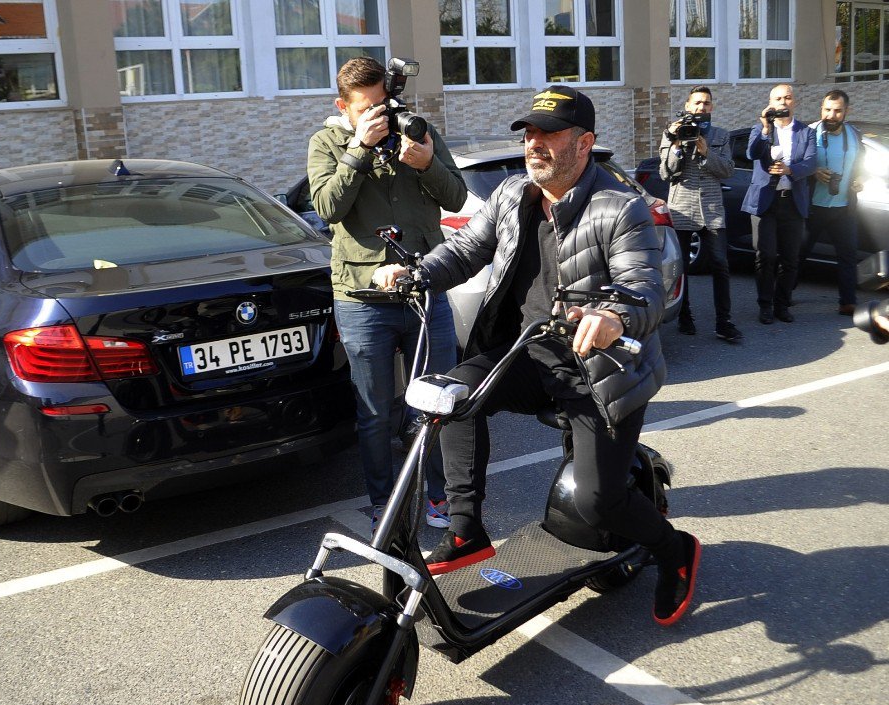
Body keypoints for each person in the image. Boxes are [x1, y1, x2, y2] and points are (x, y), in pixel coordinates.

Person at [374, 85, 701, 626]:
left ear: (585, 143)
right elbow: (463, 251)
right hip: (530, 353)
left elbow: (642, 286)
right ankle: (465, 529)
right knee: (450, 396)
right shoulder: (510, 195)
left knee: (599, 503)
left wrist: (612, 316)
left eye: (549, 135)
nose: (535, 145)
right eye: (529, 135)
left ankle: (675, 552)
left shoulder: (622, 210)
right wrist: (416, 273)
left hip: (603, 369)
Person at [307, 57, 467, 529]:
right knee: (376, 411)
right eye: (368, 108)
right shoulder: (327, 142)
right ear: (344, 106)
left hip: (424, 292)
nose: (381, 115)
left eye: (386, 104)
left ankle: (437, 494)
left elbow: (456, 197)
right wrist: (358, 148)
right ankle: (384, 500)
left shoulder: (419, 132)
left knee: (435, 401)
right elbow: (327, 207)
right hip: (362, 300)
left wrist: (427, 163)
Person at [659, 86, 742, 343]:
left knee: (721, 265)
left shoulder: (721, 135)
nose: (701, 108)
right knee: (680, 268)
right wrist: (675, 145)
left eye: (706, 103)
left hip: (712, 211)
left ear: (712, 107)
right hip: (681, 208)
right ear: (687, 105)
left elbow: (728, 169)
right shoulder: (671, 133)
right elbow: (666, 173)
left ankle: (723, 322)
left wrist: (706, 151)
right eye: (697, 103)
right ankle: (685, 317)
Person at [741, 84, 817, 324]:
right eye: (778, 98)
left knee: (790, 258)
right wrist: (765, 128)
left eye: (788, 97)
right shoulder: (760, 129)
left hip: (792, 204)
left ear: (794, 102)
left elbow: (812, 162)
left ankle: (782, 304)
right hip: (766, 202)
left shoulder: (806, 132)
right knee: (765, 256)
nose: (783, 102)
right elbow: (751, 154)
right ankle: (765, 305)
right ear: (770, 103)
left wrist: (789, 169)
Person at [798, 89, 866, 316]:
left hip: (844, 208)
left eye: (837, 111)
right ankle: (782, 296)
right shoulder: (808, 133)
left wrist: (860, 179)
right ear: (821, 109)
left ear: (847, 111)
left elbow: (861, 165)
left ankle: (848, 302)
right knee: (798, 253)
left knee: (847, 256)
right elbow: (796, 165)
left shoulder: (855, 135)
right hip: (813, 208)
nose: (831, 115)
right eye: (827, 109)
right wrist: (813, 171)